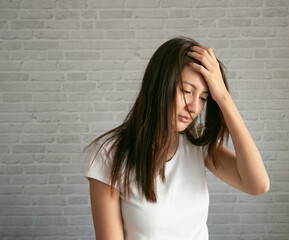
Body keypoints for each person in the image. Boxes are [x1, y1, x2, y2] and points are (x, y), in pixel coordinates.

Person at [83, 36, 270, 240]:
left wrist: (224, 97)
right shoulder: (110, 155)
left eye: (204, 98)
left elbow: (258, 185)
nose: (195, 108)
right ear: (159, 85)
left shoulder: (197, 145)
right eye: (187, 91)